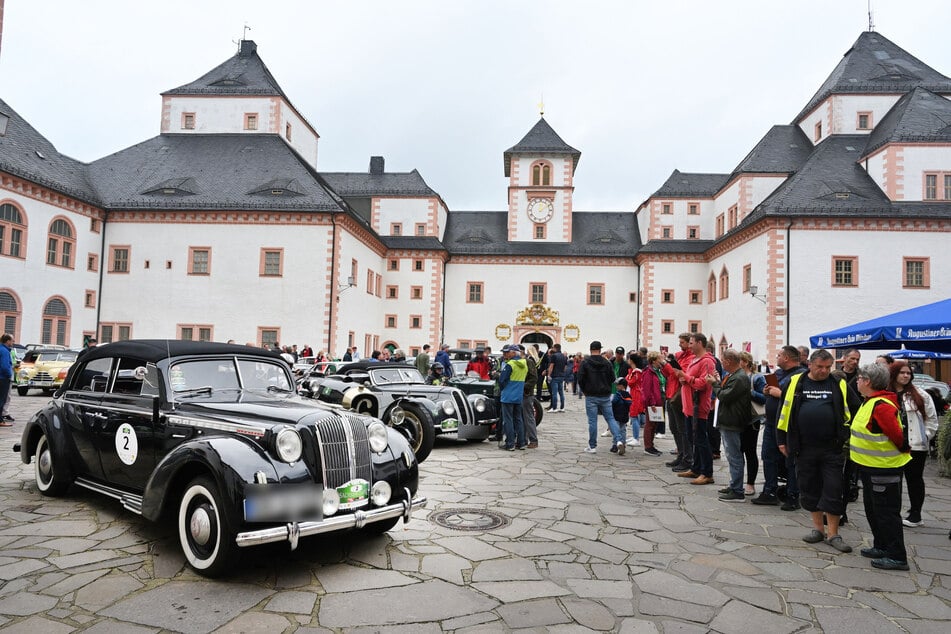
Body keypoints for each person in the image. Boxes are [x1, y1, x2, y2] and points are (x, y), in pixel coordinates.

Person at [777, 349, 854, 554]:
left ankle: (833, 534)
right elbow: (782, 411)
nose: (824, 371)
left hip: (832, 448)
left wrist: (846, 434)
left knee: (833, 489)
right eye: (820, 367)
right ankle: (818, 529)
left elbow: (855, 408)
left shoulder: (839, 383)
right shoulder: (795, 382)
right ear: (810, 364)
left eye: (828, 367)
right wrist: (781, 440)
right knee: (809, 487)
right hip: (803, 447)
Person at [852, 363, 912, 570]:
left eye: (859, 378)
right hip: (871, 467)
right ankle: (882, 545)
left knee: (886, 513)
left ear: (867, 381)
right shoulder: (870, 402)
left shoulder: (882, 406)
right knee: (873, 510)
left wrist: (904, 449)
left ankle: (897, 555)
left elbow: (897, 435)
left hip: (884, 468)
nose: (857, 381)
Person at [752, 346, 805, 507]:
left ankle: (792, 495)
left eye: (779, 355)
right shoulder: (778, 374)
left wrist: (779, 394)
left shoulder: (801, 375)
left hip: (788, 424)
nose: (777, 357)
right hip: (771, 422)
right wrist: (766, 391)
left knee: (790, 459)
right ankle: (769, 491)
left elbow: (801, 398)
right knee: (768, 456)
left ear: (787, 358)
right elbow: (771, 389)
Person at [889, 361, 939, 528]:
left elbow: (932, 419)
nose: (905, 376)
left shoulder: (921, 395)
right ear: (894, 374)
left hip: (915, 445)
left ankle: (916, 513)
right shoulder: (886, 393)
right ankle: (893, 511)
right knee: (893, 479)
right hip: (892, 445)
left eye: (908, 373)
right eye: (902, 373)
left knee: (914, 479)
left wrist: (925, 436)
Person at [675, 333, 716, 485]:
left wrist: (685, 377)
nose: (689, 346)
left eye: (691, 343)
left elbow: (702, 384)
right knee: (693, 439)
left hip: (698, 406)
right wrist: (683, 378)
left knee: (701, 439)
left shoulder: (707, 362)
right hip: (690, 406)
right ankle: (697, 468)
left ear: (699, 343)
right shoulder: (694, 359)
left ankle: (707, 472)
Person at [711, 349, 751, 502]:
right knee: (731, 455)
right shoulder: (735, 376)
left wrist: (714, 384)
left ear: (728, 361)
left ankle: (737, 490)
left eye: (723, 361)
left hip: (732, 421)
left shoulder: (739, 378)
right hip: (729, 420)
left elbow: (724, 396)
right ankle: (734, 484)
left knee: (734, 456)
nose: (722, 363)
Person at [577, 341, 625, 455]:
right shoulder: (607, 362)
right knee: (610, 418)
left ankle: (592, 446)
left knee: (593, 421)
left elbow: (580, 378)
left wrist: (585, 390)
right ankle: (618, 440)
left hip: (591, 395)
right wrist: (607, 387)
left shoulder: (585, 362)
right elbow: (613, 378)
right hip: (604, 395)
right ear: (599, 350)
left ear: (590, 349)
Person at [662, 334, 692, 471]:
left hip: (678, 395)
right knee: (674, 428)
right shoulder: (680, 355)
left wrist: (667, 365)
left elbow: (680, 374)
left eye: (682, 342)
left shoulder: (689, 357)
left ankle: (687, 457)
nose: (680, 344)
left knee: (682, 428)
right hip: (671, 393)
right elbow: (669, 374)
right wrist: (665, 365)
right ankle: (681, 454)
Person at [740, 352, 765, 496]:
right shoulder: (734, 375)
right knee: (738, 452)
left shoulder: (756, 377)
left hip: (751, 420)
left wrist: (750, 392)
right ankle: (737, 481)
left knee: (750, 452)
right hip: (737, 419)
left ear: (746, 362)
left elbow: (764, 398)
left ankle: (750, 483)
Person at [498, 345, 527, 451]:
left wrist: (502, 389)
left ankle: (510, 443)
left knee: (508, 420)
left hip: (508, 395)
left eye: (507, 352)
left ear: (514, 353)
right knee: (518, 419)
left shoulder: (510, 364)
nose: (505, 354)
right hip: (518, 395)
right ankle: (521, 443)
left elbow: (502, 380)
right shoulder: (524, 364)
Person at [641, 351, 665, 456]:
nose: (662, 361)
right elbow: (647, 389)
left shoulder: (658, 371)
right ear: (654, 360)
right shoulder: (648, 372)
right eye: (660, 359)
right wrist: (652, 402)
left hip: (660, 400)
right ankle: (648, 446)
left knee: (654, 424)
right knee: (650, 424)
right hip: (653, 402)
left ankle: (651, 445)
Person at [521, 345, 540, 449]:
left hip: (527, 394)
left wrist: (523, 386)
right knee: (523, 418)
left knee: (528, 417)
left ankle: (533, 440)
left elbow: (533, 378)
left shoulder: (529, 362)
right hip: (521, 394)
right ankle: (523, 440)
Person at [624, 353, 644, 446]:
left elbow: (630, 382)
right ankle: (634, 436)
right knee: (634, 416)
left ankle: (636, 438)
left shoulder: (637, 372)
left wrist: (627, 377)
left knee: (635, 416)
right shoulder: (634, 371)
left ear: (631, 361)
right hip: (634, 394)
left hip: (636, 395)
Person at [612, 377, 632, 452]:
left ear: (622, 386)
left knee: (616, 430)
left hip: (616, 414)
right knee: (623, 430)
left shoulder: (618, 394)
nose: (616, 387)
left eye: (617, 385)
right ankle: (623, 443)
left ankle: (615, 445)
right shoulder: (628, 395)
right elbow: (630, 404)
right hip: (625, 415)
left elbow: (613, 402)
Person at [547, 344, 568, 413]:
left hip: (555, 376)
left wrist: (549, 375)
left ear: (555, 348)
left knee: (554, 393)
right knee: (561, 393)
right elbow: (565, 368)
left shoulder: (554, 356)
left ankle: (554, 408)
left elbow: (551, 366)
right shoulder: (564, 356)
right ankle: (562, 407)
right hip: (561, 376)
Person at [0, 334, 13, 427]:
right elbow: (5, 366)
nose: (13, 342)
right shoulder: (4, 351)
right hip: (3, 378)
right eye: (12, 341)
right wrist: (9, 375)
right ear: (7, 341)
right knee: (2, 399)